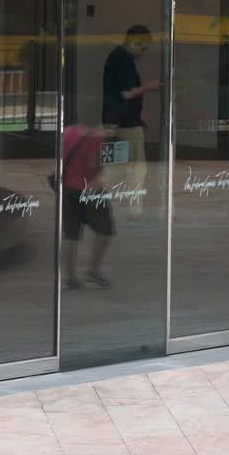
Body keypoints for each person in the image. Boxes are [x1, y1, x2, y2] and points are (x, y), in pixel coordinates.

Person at [102, 25, 161, 217]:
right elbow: (126, 93)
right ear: (135, 42)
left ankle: (103, 206)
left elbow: (119, 95)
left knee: (113, 168)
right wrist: (149, 87)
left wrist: (138, 116)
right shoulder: (123, 60)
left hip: (115, 121)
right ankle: (134, 211)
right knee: (137, 169)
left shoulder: (116, 57)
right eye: (143, 48)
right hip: (125, 124)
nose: (143, 53)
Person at [61, 124, 115, 289]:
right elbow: (95, 166)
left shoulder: (68, 132)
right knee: (106, 230)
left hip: (68, 189)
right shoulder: (99, 138)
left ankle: (70, 276)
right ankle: (93, 269)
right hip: (90, 190)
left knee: (71, 235)